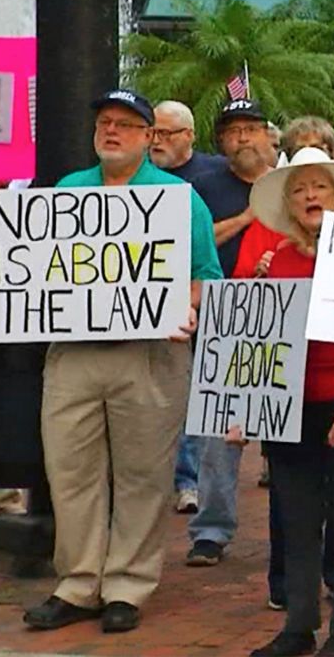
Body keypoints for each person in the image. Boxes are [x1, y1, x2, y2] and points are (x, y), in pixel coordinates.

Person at [21, 89, 222, 633]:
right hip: (74, 354)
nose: (111, 131)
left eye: (126, 124)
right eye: (104, 122)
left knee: (143, 473)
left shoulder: (179, 198)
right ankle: (79, 583)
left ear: (148, 137)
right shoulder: (67, 192)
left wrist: (183, 309)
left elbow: (206, 275)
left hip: (150, 354)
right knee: (70, 470)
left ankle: (128, 585)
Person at [242, 147, 334, 657]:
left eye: (319, 186)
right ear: (288, 202)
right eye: (300, 188)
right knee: (295, 516)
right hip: (289, 406)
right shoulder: (275, 260)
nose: (310, 195)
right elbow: (254, 341)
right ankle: (298, 625)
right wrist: (244, 406)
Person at [185, 98, 276, 568]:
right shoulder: (203, 187)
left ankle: (292, 527)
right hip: (225, 316)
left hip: (285, 316)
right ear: (220, 143)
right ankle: (211, 531)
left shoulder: (296, 181)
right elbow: (192, 243)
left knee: (288, 435)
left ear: (270, 136)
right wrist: (247, 216)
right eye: (233, 131)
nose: (243, 137)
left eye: (252, 129)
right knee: (220, 433)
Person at [150, 98, 227, 515]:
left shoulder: (212, 175)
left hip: (199, 308)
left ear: (189, 136)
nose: (157, 141)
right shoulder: (131, 181)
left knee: (196, 403)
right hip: (137, 319)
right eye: (153, 133)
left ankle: (188, 481)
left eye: (166, 133)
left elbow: (207, 254)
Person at [150, 100, 227, 182]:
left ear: (188, 135)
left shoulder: (219, 170)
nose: (155, 140)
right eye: (151, 132)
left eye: (164, 133)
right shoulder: (137, 173)